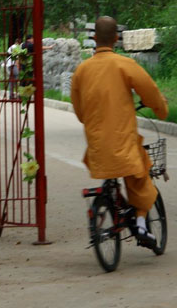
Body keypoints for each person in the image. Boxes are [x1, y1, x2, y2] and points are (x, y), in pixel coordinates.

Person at [71, 16, 168, 247]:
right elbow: (151, 92)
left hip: (97, 148)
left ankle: (110, 209)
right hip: (123, 145)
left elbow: (79, 110)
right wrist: (161, 110)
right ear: (116, 38)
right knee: (140, 174)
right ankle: (142, 226)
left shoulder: (82, 70)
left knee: (115, 170)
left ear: (94, 38)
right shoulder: (125, 65)